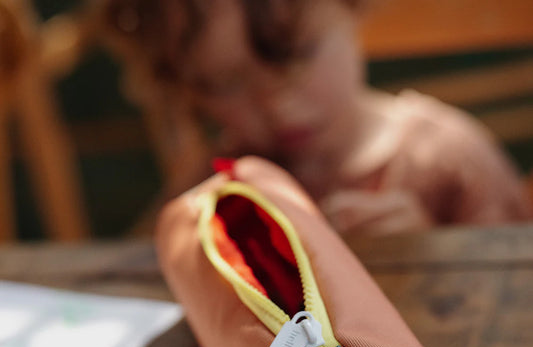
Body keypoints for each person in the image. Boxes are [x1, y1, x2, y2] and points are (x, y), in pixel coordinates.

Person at [99, 0, 533, 236]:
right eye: (227, 82)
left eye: (299, 57)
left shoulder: (449, 162)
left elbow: (514, 302)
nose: (277, 105)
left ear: (353, 9)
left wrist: (433, 257)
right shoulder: (216, 184)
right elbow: (151, 272)